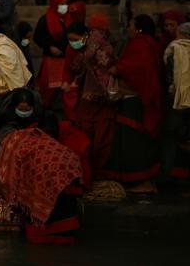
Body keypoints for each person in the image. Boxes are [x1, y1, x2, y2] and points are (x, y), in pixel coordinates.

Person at [0, 101, 84, 245]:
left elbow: (8, 180)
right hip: (68, 175)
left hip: (44, 223)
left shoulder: (13, 142)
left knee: (41, 248)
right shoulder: (42, 140)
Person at [104, 15, 163, 193]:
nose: (127, 28)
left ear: (138, 29)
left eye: (130, 25)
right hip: (139, 99)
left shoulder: (141, 44)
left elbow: (137, 66)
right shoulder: (149, 43)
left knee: (133, 141)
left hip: (135, 100)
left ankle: (142, 182)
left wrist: (117, 69)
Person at [63, 20, 117, 179]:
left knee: (103, 140)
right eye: (70, 40)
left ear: (86, 36)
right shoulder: (78, 51)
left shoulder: (103, 48)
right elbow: (72, 68)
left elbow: (105, 70)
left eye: (75, 39)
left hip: (103, 100)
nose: (73, 43)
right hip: (85, 101)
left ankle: (100, 174)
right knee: (84, 136)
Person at [33, 0, 76, 109]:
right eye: (62, 4)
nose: (64, 6)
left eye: (66, 4)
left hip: (66, 59)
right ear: (55, 5)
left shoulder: (69, 19)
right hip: (51, 59)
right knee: (49, 89)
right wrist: (49, 47)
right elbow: (37, 38)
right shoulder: (45, 19)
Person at [163, 22, 190, 185]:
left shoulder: (174, 48)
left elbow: (168, 75)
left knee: (175, 137)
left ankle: (172, 176)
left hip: (178, 100)